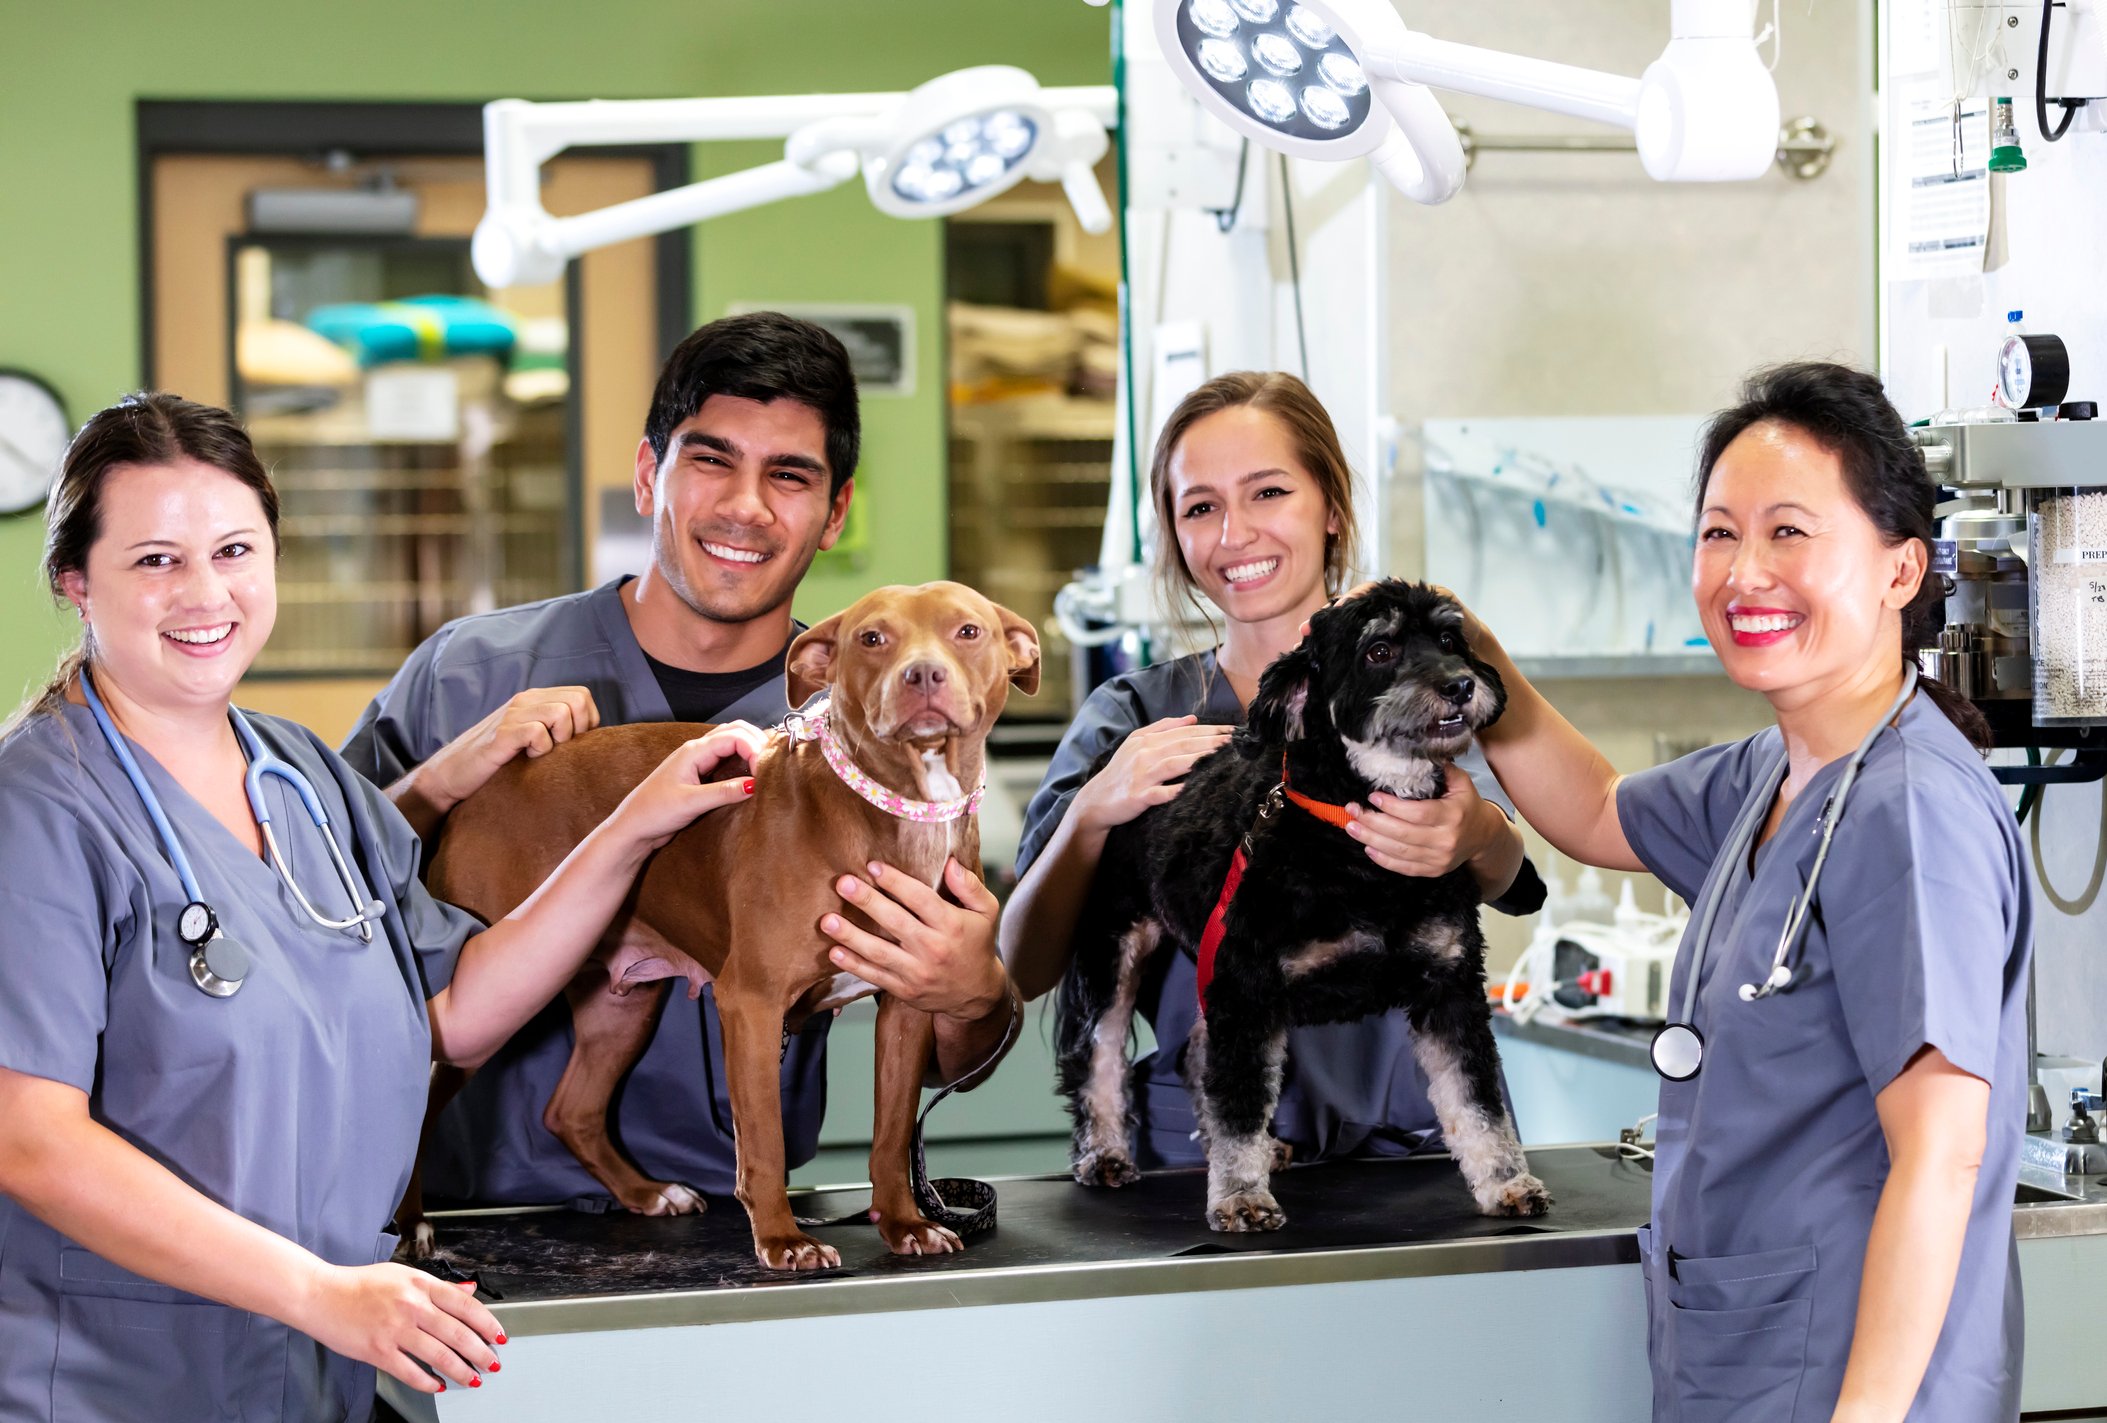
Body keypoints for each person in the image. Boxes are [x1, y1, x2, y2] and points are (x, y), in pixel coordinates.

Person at [0, 394, 770, 1420]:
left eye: (235, 550)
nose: (204, 592)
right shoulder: (38, 809)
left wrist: (634, 824)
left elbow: (453, 1008)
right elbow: (29, 1138)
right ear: (74, 581)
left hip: (312, 1375)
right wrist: (321, 1294)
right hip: (120, 1380)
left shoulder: (306, 780)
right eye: (155, 560)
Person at [340, 311, 1017, 1208]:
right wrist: (439, 780)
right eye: (710, 460)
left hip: (721, 1230)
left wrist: (978, 992)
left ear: (833, 512)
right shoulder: (471, 674)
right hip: (452, 1217)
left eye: (789, 476)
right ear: (646, 473)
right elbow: (311, 898)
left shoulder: (864, 717)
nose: (745, 505)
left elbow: (946, 1054)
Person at [1462, 363, 2028, 1421]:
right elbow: (1593, 809)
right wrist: (1473, 658)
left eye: (1789, 532)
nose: (1744, 571)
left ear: (1900, 569)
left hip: (1851, 1384)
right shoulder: (1776, 770)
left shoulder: (1907, 813)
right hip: (1753, 1359)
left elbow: (1941, 1156)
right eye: (1719, 533)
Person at [1001, 370, 1537, 1168]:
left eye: (1267, 492)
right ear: (1174, 537)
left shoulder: (1425, 682)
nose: (1234, 534)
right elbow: (1022, 965)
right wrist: (1091, 814)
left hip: (1417, 1143)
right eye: (1201, 507)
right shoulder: (1134, 716)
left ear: (1332, 506)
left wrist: (1478, 829)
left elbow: (1513, 878)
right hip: (1203, 1156)